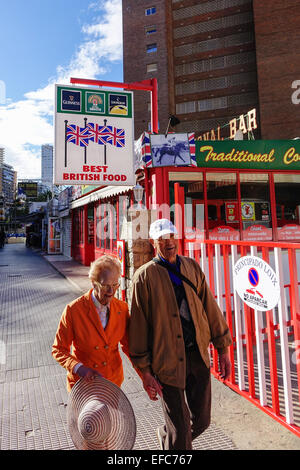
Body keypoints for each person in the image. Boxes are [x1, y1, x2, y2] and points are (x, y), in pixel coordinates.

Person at [129, 218, 232, 450]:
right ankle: (176, 441)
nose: (169, 243)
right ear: (155, 243)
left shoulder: (191, 266)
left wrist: (223, 348)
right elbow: (138, 327)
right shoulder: (144, 277)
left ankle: (169, 437)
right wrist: (145, 371)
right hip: (167, 362)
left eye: (172, 237)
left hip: (197, 356)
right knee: (182, 430)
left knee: (202, 421)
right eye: (163, 239)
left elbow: (210, 307)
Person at [52, 255, 131, 392]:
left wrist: (146, 377)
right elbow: (58, 349)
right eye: (106, 286)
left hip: (112, 383)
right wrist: (79, 368)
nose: (111, 292)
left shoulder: (122, 309)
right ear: (94, 283)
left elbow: (130, 347)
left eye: (115, 285)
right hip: (83, 385)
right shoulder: (73, 310)